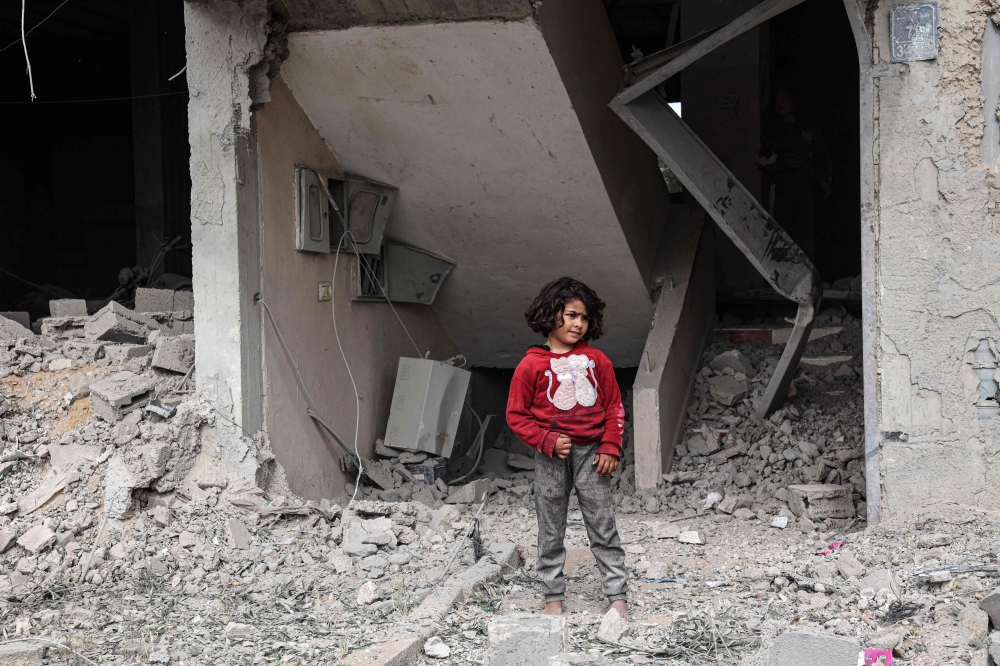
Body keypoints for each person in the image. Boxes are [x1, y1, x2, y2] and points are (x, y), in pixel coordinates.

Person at [506, 276, 628, 619]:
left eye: (584, 318)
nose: (578, 323)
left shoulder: (597, 361)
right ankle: (552, 597)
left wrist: (610, 445)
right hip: (550, 457)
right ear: (550, 314)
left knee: (602, 522)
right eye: (571, 315)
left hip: (593, 454)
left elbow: (614, 406)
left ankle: (617, 596)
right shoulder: (530, 365)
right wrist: (545, 440)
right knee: (551, 525)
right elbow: (516, 415)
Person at [756, 87, 831, 260]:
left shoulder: (809, 129)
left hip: (806, 191)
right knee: (781, 235)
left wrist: (824, 184)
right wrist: (779, 160)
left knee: (805, 236)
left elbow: (822, 157)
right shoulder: (772, 130)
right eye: (777, 99)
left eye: (785, 98)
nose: (780, 103)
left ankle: (809, 279)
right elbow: (760, 159)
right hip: (781, 191)